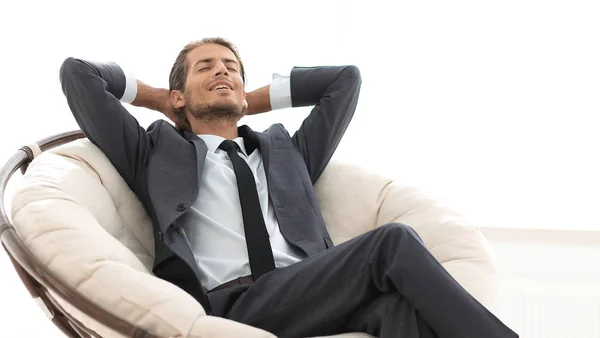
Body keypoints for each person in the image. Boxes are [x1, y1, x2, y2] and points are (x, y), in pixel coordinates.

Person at [59, 37, 517, 338]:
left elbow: (344, 81)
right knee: (391, 242)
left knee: (399, 314)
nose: (222, 71)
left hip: (317, 292)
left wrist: (239, 99)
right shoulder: (152, 153)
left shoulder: (288, 154)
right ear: (179, 96)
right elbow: (79, 73)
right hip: (233, 305)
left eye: (231, 67)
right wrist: (163, 99)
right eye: (206, 67)